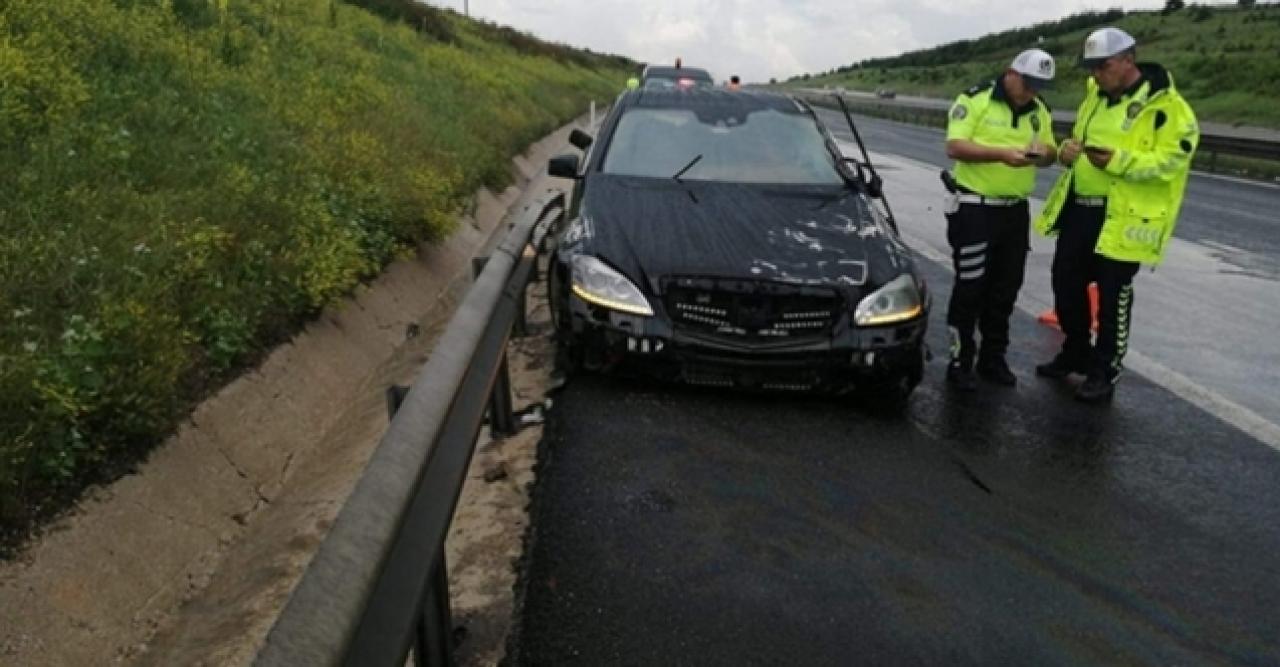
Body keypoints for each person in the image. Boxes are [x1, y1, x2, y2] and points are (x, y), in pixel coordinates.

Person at [1033, 27, 1198, 402]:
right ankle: (1075, 350)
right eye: (1091, 68)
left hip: (1122, 215)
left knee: (1113, 296)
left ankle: (1104, 370)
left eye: (1102, 66)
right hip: (1081, 208)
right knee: (1065, 282)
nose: (1096, 75)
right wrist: (1070, 150)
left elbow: (1172, 160)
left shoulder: (1166, 106)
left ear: (1128, 60)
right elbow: (1079, 136)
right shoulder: (1094, 96)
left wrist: (1120, 161)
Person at [942, 49, 1059, 391]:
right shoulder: (975, 99)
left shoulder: (1039, 111)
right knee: (970, 287)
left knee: (1006, 289)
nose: (1032, 92)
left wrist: (1043, 155)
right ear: (1011, 73)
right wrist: (1001, 155)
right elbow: (955, 146)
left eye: (1039, 86)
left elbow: (1051, 152)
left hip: (1014, 211)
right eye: (1027, 83)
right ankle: (960, 358)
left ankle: (993, 357)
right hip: (975, 208)